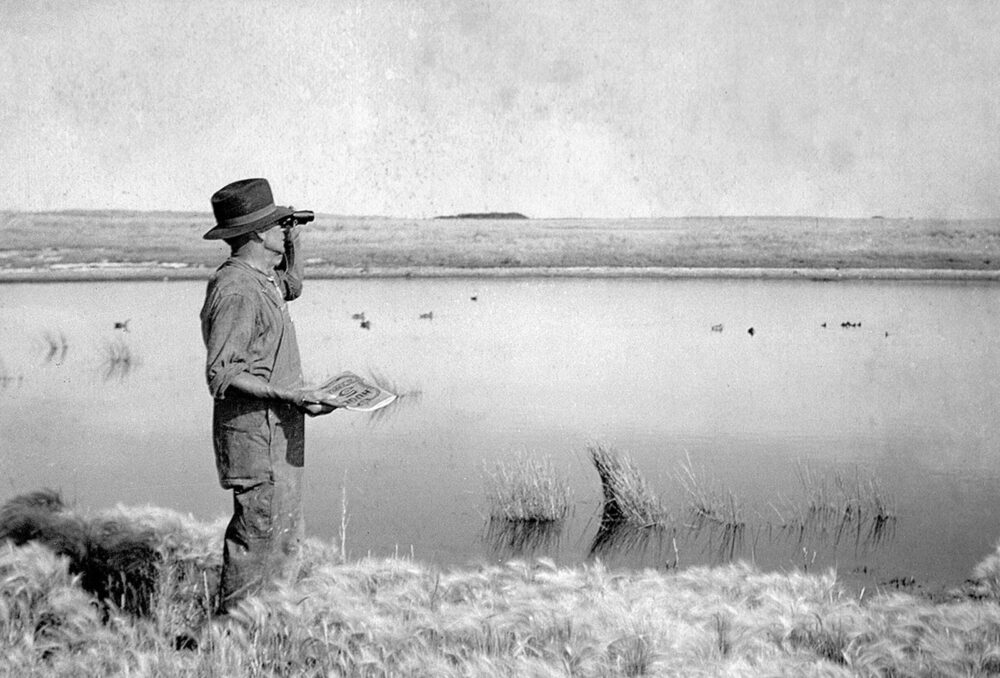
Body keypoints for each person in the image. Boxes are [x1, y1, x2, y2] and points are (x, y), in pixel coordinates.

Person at [199, 177, 335, 613]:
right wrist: (290, 396)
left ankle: (268, 626)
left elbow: (293, 284)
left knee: (283, 534)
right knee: (256, 537)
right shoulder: (237, 289)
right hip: (255, 438)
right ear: (257, 233)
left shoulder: (263, 279)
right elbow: (221, 373)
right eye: (278, 224)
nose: (283, 228)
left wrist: (296, 238)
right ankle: (229, 636)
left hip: (278, 433)